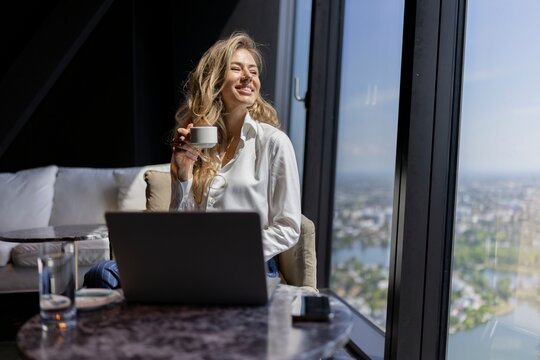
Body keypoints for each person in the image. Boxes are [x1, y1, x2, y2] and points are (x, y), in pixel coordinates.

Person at [83, 32, 301, 289]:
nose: (248, 77)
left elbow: (288, 227)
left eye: (253, 71)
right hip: (194, 260)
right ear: (216, 80)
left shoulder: (274, 143)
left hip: (250, 264)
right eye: (236, 69)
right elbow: (181, 227)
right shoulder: (201, 143)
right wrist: (182, 174)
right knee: (102, 273)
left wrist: (231, 254)